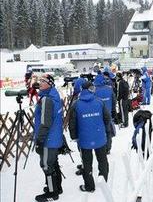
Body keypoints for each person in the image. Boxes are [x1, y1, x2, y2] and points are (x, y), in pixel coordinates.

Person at [69, 81, 111, 192]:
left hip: (84, 139)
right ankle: (104, 181)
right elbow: (107, 119)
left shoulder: (76, 104)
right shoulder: (99, 102)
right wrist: (105, 131)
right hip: (99, 136)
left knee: (86, 163)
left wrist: (74, 136)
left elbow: (72, 123)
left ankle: (89, 186)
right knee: (102, 160)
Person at [34, 74, 63, 202]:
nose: (40, 82)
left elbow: (45, 123)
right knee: (53, 162)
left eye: (43, 81)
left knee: (46, 165)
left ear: (50, 84)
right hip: (55, 137)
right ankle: (57, 187)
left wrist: (39, 140)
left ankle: (52, 192)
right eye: (40, 80)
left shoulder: (47, 99)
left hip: (48, 139)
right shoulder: (55, 96)